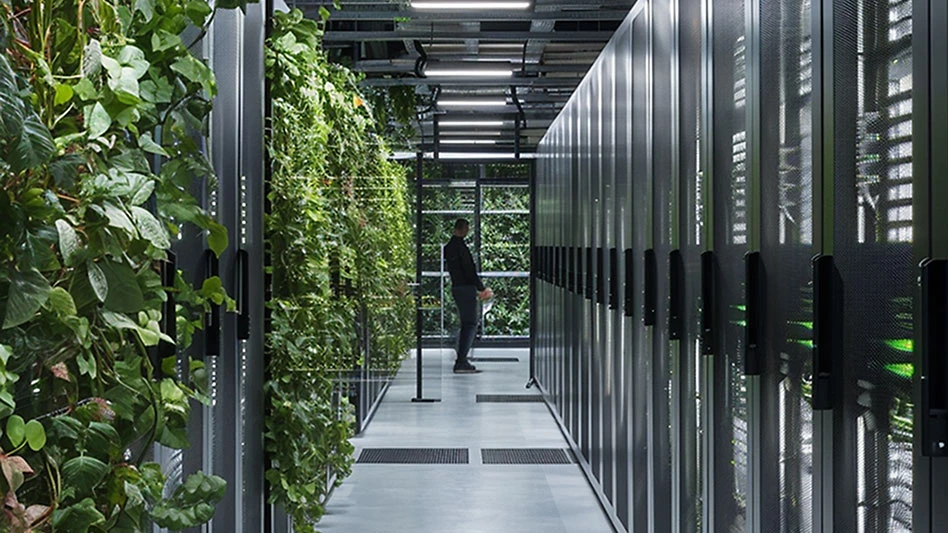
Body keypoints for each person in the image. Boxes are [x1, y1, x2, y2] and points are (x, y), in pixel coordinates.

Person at [444, 219, 493, 374]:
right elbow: (469, 271)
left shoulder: (449, 247)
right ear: (464, 228)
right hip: (465, 288)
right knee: (470, 323)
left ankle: (461, 358)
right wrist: (481, 288)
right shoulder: (461, 248)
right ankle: (461, 361)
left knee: (465, 323)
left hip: (456, 286)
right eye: (467, 228)